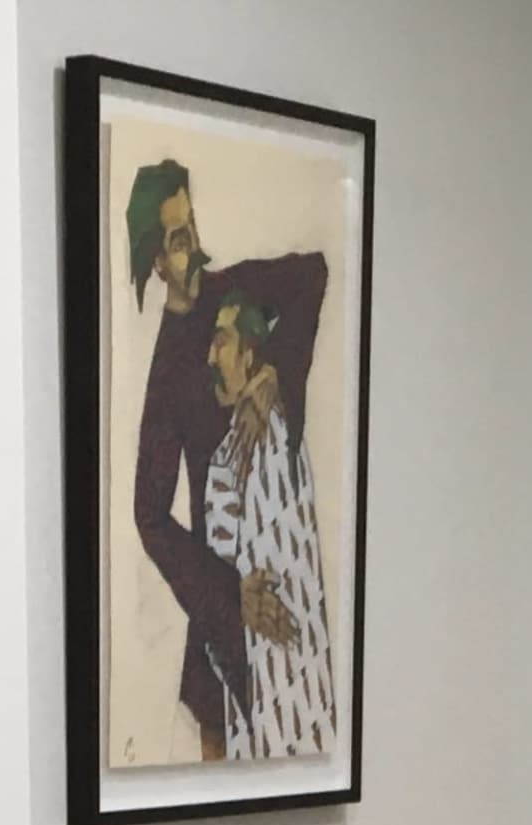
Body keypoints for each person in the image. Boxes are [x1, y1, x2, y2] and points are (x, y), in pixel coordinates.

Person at [121, 159, 326, 760]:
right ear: (157, 261)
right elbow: (148, 515)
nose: (198, 249)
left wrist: (273, 372)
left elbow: (312, 274)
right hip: (227, 597)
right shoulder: (166, 375)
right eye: (181, 241)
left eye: (194, 228)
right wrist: (228, 594)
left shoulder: (229, 295)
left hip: (285, 554)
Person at [197, 292, 335, 759]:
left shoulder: (265, 438)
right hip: (273, 697)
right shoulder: (238, 446)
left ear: (249, 354)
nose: (211, 356)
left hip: (285, 692)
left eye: (221, 342)